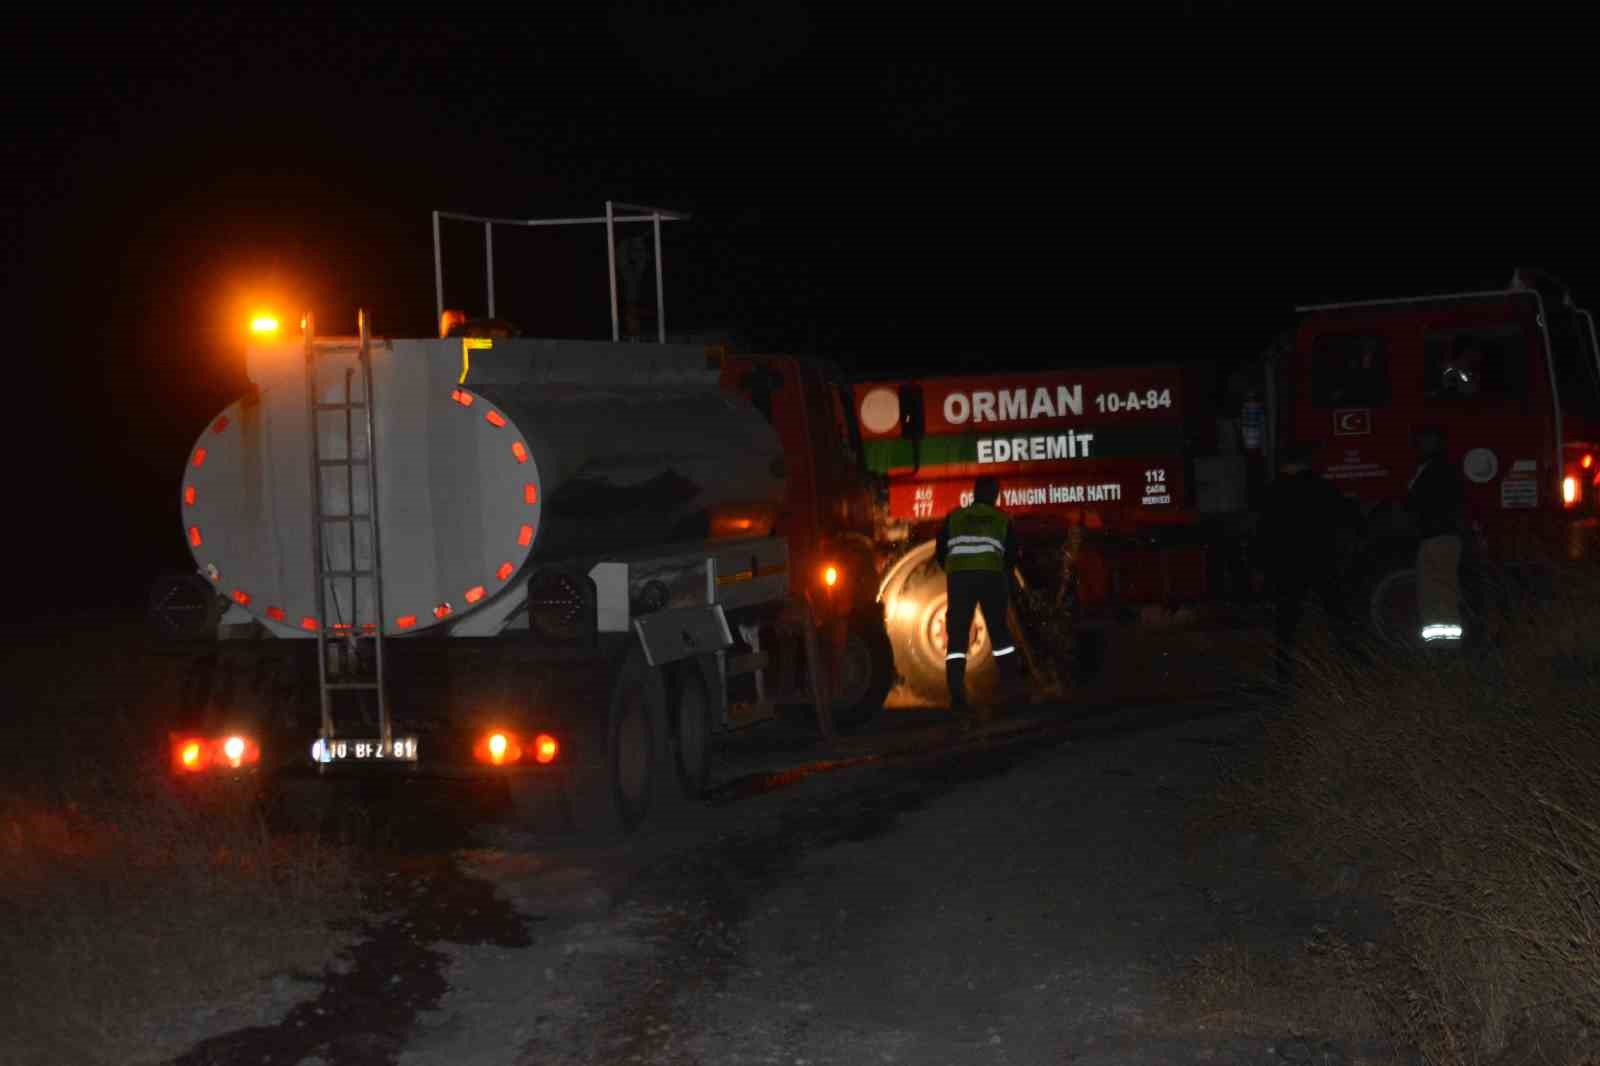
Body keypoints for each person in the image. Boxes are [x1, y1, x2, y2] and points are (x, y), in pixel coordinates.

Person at [1254, 442, 1359, 684]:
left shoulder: (1273, 491)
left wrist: (1260, 566)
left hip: (1288, 566)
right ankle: (1352, 662)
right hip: (1322, 560)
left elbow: (1264, 533)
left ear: (1283, 464)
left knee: (1286, 622)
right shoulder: (1323, 487)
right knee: (1337, 613)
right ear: (1307, 462)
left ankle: (1283, 673)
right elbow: (1347, 519)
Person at [936, 475, 1024, 719]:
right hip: (990, 578)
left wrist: (954, 571)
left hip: (960, 580)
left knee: (957, 639)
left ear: (974, 494)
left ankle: (957, 698)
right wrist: (1000, 574)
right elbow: (1012, 557)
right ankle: (1012, 690)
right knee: (999, 634)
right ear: (995, 495)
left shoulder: (955, 516)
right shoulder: (1002, 519)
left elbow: (940, 551)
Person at [1408, 425, 1467, 646]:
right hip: (1440, 537)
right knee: (1438, 591)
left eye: (1426, 440)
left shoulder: (1436, 470)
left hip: (1437, 538)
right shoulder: (1440, 468)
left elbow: (1424, 503)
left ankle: (1444, 647)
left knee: (1438, 591)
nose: (1422, 445)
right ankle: (1442, 644)